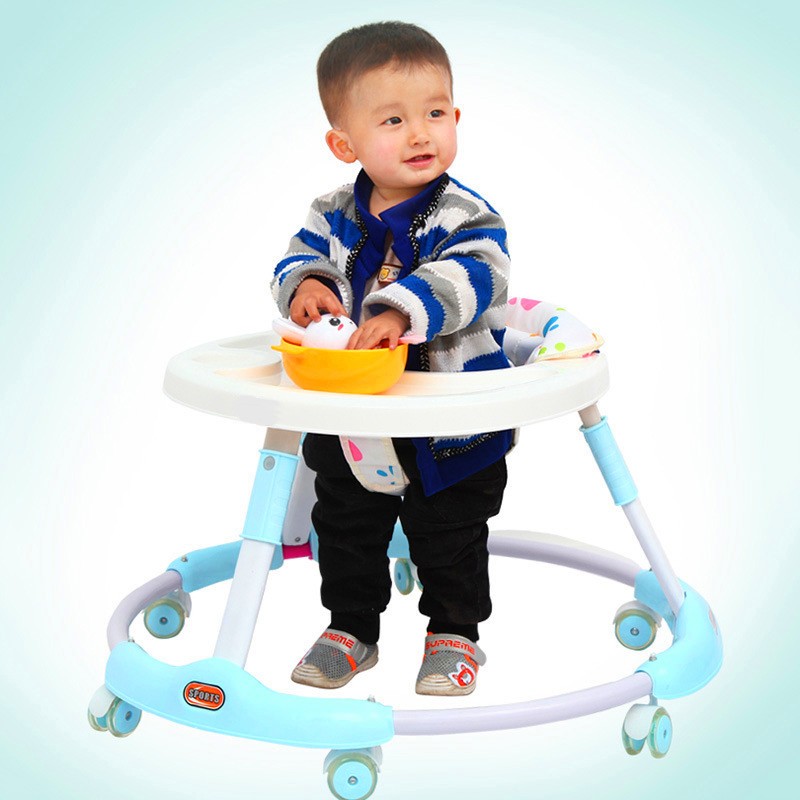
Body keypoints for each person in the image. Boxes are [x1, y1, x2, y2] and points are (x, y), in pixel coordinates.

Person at [271, 21, 512, 696]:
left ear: (456, 118)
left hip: (449, 421)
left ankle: (454, 634)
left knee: (451, 532)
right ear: (344, 144)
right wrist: (307, 286)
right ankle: (350, 628)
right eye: (394, 120)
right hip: (352, 414)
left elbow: (479, 274)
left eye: (435, 113)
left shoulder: (467, 215)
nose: (420, 134)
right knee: (344, 525)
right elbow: (296, 259)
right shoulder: (330, 212)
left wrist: (400, 309)